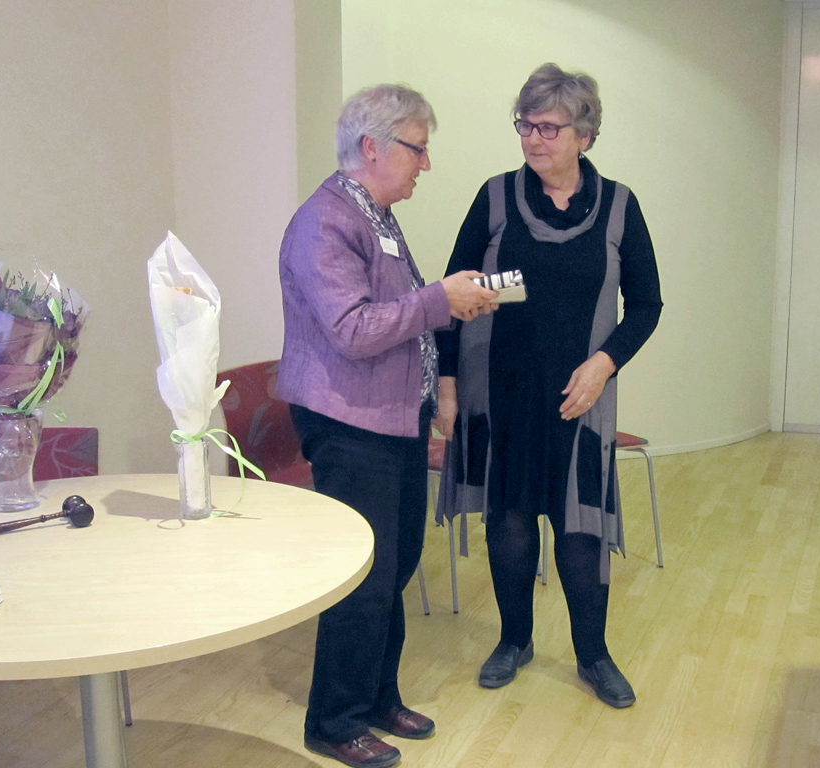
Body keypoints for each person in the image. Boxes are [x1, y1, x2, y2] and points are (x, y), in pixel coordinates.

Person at [277, 84, 498, 768]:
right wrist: (440, 300)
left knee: (395, 565)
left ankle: (376, 696)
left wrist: (446, 308)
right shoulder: (324, 222)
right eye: (418, 148)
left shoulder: (374, 215)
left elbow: (395, 316)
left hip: (392, 418)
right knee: (362, 578)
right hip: (348, 423)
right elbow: (351, 330)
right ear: (371, 147)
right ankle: (333, 720)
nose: (426, 164)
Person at [434, 63, 662, 709]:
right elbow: (454, 294)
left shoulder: (619, 206)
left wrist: (604, 363)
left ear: (584, 136)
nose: (533, 138)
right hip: (501, 393)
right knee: (508, 520)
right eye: (525, 125)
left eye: (548, 128)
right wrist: (447, 386)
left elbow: (646, 304)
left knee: (580, 530)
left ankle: (593, 655)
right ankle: (514, 641)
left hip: (579, 398)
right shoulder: (495, 197)